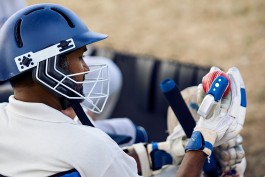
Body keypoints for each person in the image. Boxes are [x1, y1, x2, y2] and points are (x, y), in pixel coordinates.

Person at [0, 3, 247, 177]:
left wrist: (167, 151)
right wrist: (202, 141)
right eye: (79, 58)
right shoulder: (87, 144)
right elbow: (99, 158)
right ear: (50, 69)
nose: (86, 69)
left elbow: (107, 163)